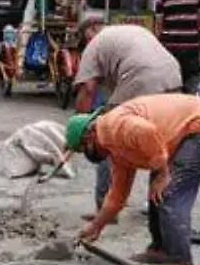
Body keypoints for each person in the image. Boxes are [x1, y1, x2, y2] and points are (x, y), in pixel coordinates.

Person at [67, 94, 200, 265]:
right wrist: (96, 226)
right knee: (157, 186)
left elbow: (146, 130)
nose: (87, 154)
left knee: (169, 192)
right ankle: (160, 248)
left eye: (83, 148)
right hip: (181, 132)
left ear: (89, 135)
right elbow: (117, 197)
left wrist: (162, 173)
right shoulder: (115, 149)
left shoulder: (114, 126)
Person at [73, 17, 183, 220]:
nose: (84, 45)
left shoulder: (95, 44)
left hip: (141, 78)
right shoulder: (131, 31)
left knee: (107, 137)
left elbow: (88, 90)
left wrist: (80, 129)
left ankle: (105, 209)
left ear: (90, 31)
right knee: (162, 141)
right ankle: (159, 207)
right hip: (173, 74)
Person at [154, 0, 200, 94]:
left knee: (172, 81)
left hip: (170, 46)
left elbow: (159, 24)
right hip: (191, 45)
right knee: (192, 81)